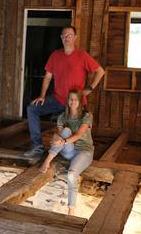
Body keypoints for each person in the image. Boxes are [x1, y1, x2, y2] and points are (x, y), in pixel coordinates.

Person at [25, 25, 105, 158]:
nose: (67, 38)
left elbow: (100, 71)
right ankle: (37, 147)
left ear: (75, 38)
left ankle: (78, 153)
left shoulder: (82, 55)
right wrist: (42, 96)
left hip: (74, 102)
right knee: (32, 109)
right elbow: (48, 76)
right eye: (64, 36)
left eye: (70, 35)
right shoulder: (55, 55)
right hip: (58, 99)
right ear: (61, 38)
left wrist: (89, 89)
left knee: (74, 131)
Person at [39, 89, 94, 216]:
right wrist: (56, 138)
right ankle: (47, 161)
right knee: (65, 131)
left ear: (80, 101)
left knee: (71, 174)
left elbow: (79, 135)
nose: (73, 101)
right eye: (71, 99)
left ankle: (71, 210)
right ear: (67, 101)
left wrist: (62, 141)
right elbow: (60, 134)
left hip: (84, 151)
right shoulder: (62, 117)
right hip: (68, 151)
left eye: (76, 99)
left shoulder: (87, 116)